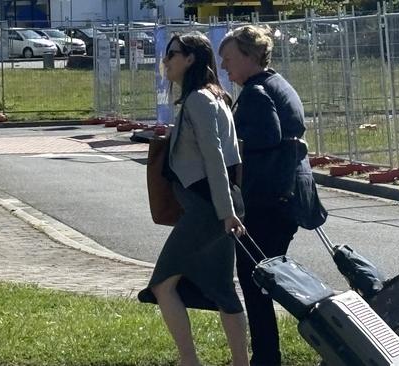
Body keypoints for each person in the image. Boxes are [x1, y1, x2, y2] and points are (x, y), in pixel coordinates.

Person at [138, 31, 249, 366]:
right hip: (220, 205)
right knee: (222, 290)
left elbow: (215, 158)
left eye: (172, 54)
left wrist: (226, 212)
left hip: (208, 209)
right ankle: (241, 363)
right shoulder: (217, 97)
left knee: (162, 285)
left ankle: (189, 360)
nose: (166, 60)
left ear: (190, 59)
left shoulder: (199, 100)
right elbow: (229, 157)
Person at [219, 25, 315, 366]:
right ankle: (266, 356)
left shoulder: (258, 93)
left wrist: (231, 135)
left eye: (229, 59)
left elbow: (264, 138)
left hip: (266, 204)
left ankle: (265, 358)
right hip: (286, 200)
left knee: (255, 281)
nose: (225, 67)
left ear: (249, 55)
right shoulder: (279, 84)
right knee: (264, 281)